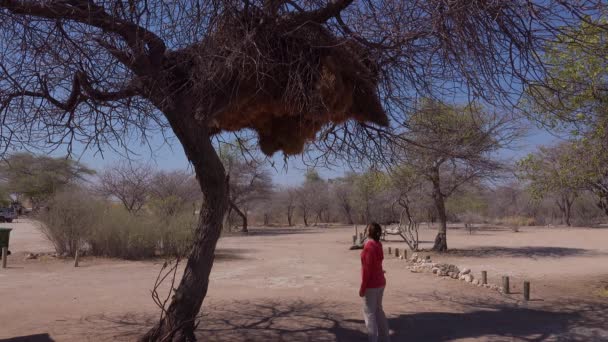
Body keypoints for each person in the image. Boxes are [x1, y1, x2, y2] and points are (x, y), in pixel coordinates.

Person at [359, 222, 391, 342]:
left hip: (371, 285)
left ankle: (373, 339)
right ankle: (385, 338)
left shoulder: (368, 247)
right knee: (378, 310)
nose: (365, 231)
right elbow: (377, 264)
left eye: (367, 229)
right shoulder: (378, 244)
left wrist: (362, 288)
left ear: (369, 232)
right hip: (381, 282)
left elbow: (366, 270)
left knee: (369, 313)